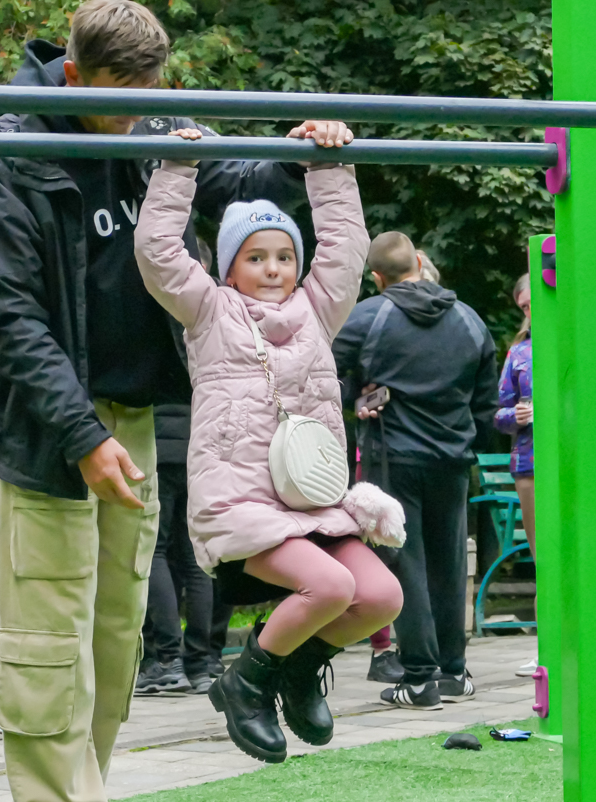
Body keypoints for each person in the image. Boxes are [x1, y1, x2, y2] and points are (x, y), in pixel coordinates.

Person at [0, 0, 354, 799]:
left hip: (134, 415)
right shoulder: (9, 160)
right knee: (51, 637)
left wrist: (297, 156)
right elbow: (10, 319)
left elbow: (235, 180)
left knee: (116, 635)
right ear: (75, 76)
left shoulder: (152, 124)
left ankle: (89, 787)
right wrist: (80, 434)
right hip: (49, 428)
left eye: (149, 96)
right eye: (120, 98)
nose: (135, 116)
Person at [133, 129, 405, 764]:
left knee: (380, 597)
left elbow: (346, 249)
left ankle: (296, 666)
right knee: (330, 587)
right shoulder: (208, 312)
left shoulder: (317, 311)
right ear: (228, 267)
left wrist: (327, 164)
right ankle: (245, 682)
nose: (273, 268)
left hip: (311, 499)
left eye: (284, 255)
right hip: (241, 504)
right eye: (255, 257)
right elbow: (158, 252)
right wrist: (179, 164)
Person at [333, 231, 499, 710]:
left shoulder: (368, 317)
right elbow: (486, 404)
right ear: (419, 264)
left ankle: (421, 678)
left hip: (394, 456)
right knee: (449, 564)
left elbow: (323, 376)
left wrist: (357, 399)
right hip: (453, 459)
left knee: (406, 563)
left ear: (377, 276)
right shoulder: (469, 320)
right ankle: (454, 672)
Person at [137, 241, 222, 697]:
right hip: (203, 442)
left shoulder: (156, 303)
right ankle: (201, 661)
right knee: (195, 556)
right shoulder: (218, 310)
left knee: (153, 549)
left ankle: (165, 659)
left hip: (156, 437)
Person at [495, 275, 537, 679]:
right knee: (545, 559)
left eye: (532, 302)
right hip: (529, 464)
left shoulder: (578, 339)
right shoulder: (518, 352)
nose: (529, 311)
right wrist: (515, 416)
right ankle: (547, 649)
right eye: (523, 307)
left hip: (576, 460)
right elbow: (499, 412)